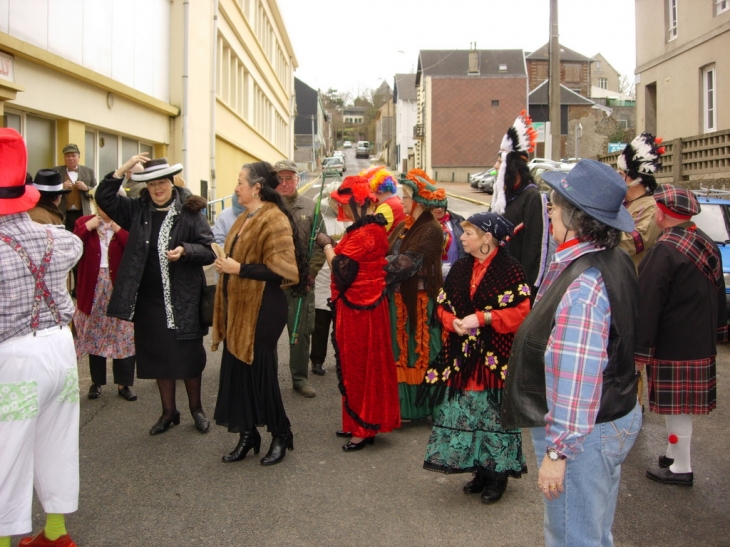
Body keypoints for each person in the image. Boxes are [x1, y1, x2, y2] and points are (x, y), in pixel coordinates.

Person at [502, 159, 643, 547]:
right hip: (609, 416)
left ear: (576, 217)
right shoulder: (610, 258)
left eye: (555, 205)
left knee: (573, 538)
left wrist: (558, 455)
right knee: (593, 532)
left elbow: (577, 377)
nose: (549, 210)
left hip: (584, 433)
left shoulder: (584, 286)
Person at [0, 128, 83, 547]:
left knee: (6, 451)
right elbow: (76, 248)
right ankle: (56, 533)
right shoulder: (59, 238)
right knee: (56, 440)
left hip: (13, 356)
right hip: (58, 349)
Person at [95, 156, 216, 436]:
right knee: (161, 358)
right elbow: (104, 197)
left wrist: (186, 250)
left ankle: (197, 409)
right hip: (150, 301)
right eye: (151, 183)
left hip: (183, 298)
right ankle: (169, 411)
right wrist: (124, 169)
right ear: (145, 186)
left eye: (162, 182)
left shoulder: (189, 211)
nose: (157, 188)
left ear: (171, 183)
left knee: (188, 358)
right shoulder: (136, 210)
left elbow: (209, 249)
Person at [421, 212, 530, 504]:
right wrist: (451, 322)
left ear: (487, 238)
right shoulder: (460, 268)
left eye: (469, 233)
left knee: (493, 416)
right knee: (468, 413)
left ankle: (498, 475)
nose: (462, 237)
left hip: (494, 358)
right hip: (463, 357)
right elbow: (443, 304)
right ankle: (480, 470)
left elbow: (521, 313)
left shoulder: (511, 270)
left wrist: (482, 318)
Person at [211, 161, 308, 466]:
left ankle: (281, 433)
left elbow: (284, 271)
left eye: (240, 182)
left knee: (261, 374)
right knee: (239, 374)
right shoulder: (244, 219)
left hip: (264, 309)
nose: (236, 187)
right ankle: (247, 434)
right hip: (239, 307)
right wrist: (226, 263)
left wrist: (237, 268)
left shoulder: (274, 219)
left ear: (256, 187)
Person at [637, 185, 728, 487]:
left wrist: (640, 348)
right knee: (681, 406)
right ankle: (673, 452)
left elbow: (649, 301)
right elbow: (719, 295)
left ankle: (681, 467)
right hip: (699, 338)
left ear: (662, 215)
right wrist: (720, 329)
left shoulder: (664, 249)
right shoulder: (705, 242)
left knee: (676, 406)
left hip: (673, 341)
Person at [316, 175, 400, 450]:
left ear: (356, 203)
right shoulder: (368, 228)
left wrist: (327, 244)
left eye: (345, 203)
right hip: (361, 306)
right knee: (359, 364)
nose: (344, 208)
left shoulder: (367, 232)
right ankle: (359, 422)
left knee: (361, 365)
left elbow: (342, 268)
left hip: (360, 309)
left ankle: (364, 427)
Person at [387, 169, 446, 420]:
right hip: (401, 300)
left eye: (406, 197)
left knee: (422, 352)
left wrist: (374, 265)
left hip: (421, 303)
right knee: (402, 352)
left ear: (419, 202)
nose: (402, 201)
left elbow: (407, 263)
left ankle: (427, 406)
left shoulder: (431, 229)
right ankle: (406, 407)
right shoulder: (404, 225)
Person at [274, 159, 326, 398]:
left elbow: (320, 243)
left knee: (301, 332)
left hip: (301, 282)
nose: (284, 183)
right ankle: (267, 379)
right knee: (267, 332)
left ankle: (299, 378)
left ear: (297, 179)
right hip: (271, 282)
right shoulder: (266, 206)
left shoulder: (310, 207)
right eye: (280, 178)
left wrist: (311, 273)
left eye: (289, 178)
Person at [73, 204, 136, 402]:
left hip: (120, 287)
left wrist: (118, 229)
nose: (105, 210)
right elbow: (72, 244)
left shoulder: (126, 224)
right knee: (95, 333)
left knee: (123, 333)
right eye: (101, 205)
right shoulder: (84, 222)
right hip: (93, 286)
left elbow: (137, 249)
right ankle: (97, 381)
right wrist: (87, 227)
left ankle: (124, 383)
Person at [491, 111, 551, 295]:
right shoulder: (504, 198)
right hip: (497, 279)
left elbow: (535, 250)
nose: (495, 166)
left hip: (517, 288)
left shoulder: (532, 198)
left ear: (513, 166)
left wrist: (525, 290)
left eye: (500, 160)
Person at [617, 132, 665, 270]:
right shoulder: (623, 203)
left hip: (635, 280)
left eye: (621, 174)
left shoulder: (651, 207)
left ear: (635, 179)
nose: (617, 179)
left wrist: (598, 233)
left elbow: (634, 242)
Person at [54, 143, 96, 234]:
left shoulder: (89, 171)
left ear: (79, 157)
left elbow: (96, 192)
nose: (70, 158)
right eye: (68, 156)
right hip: (63, 213)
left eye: (73, 156)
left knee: (82, 237)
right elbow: (50, 190)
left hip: (82, 213)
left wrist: (86, 188)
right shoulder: (56, 171)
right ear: (64, 158)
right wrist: (62, 186)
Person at [361, 166, 405, 234]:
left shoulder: (387, 207)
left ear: (380, 190)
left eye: (370, 192)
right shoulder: (393, 201)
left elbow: (369, 234)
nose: (368, 196)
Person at [432, 202, 466, 277]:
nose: (440, 209)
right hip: (433, 277)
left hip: (457, 274)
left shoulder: (458, 220)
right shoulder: (422, 224)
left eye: (442, 205)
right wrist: (435, 269)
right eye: (435, 206)